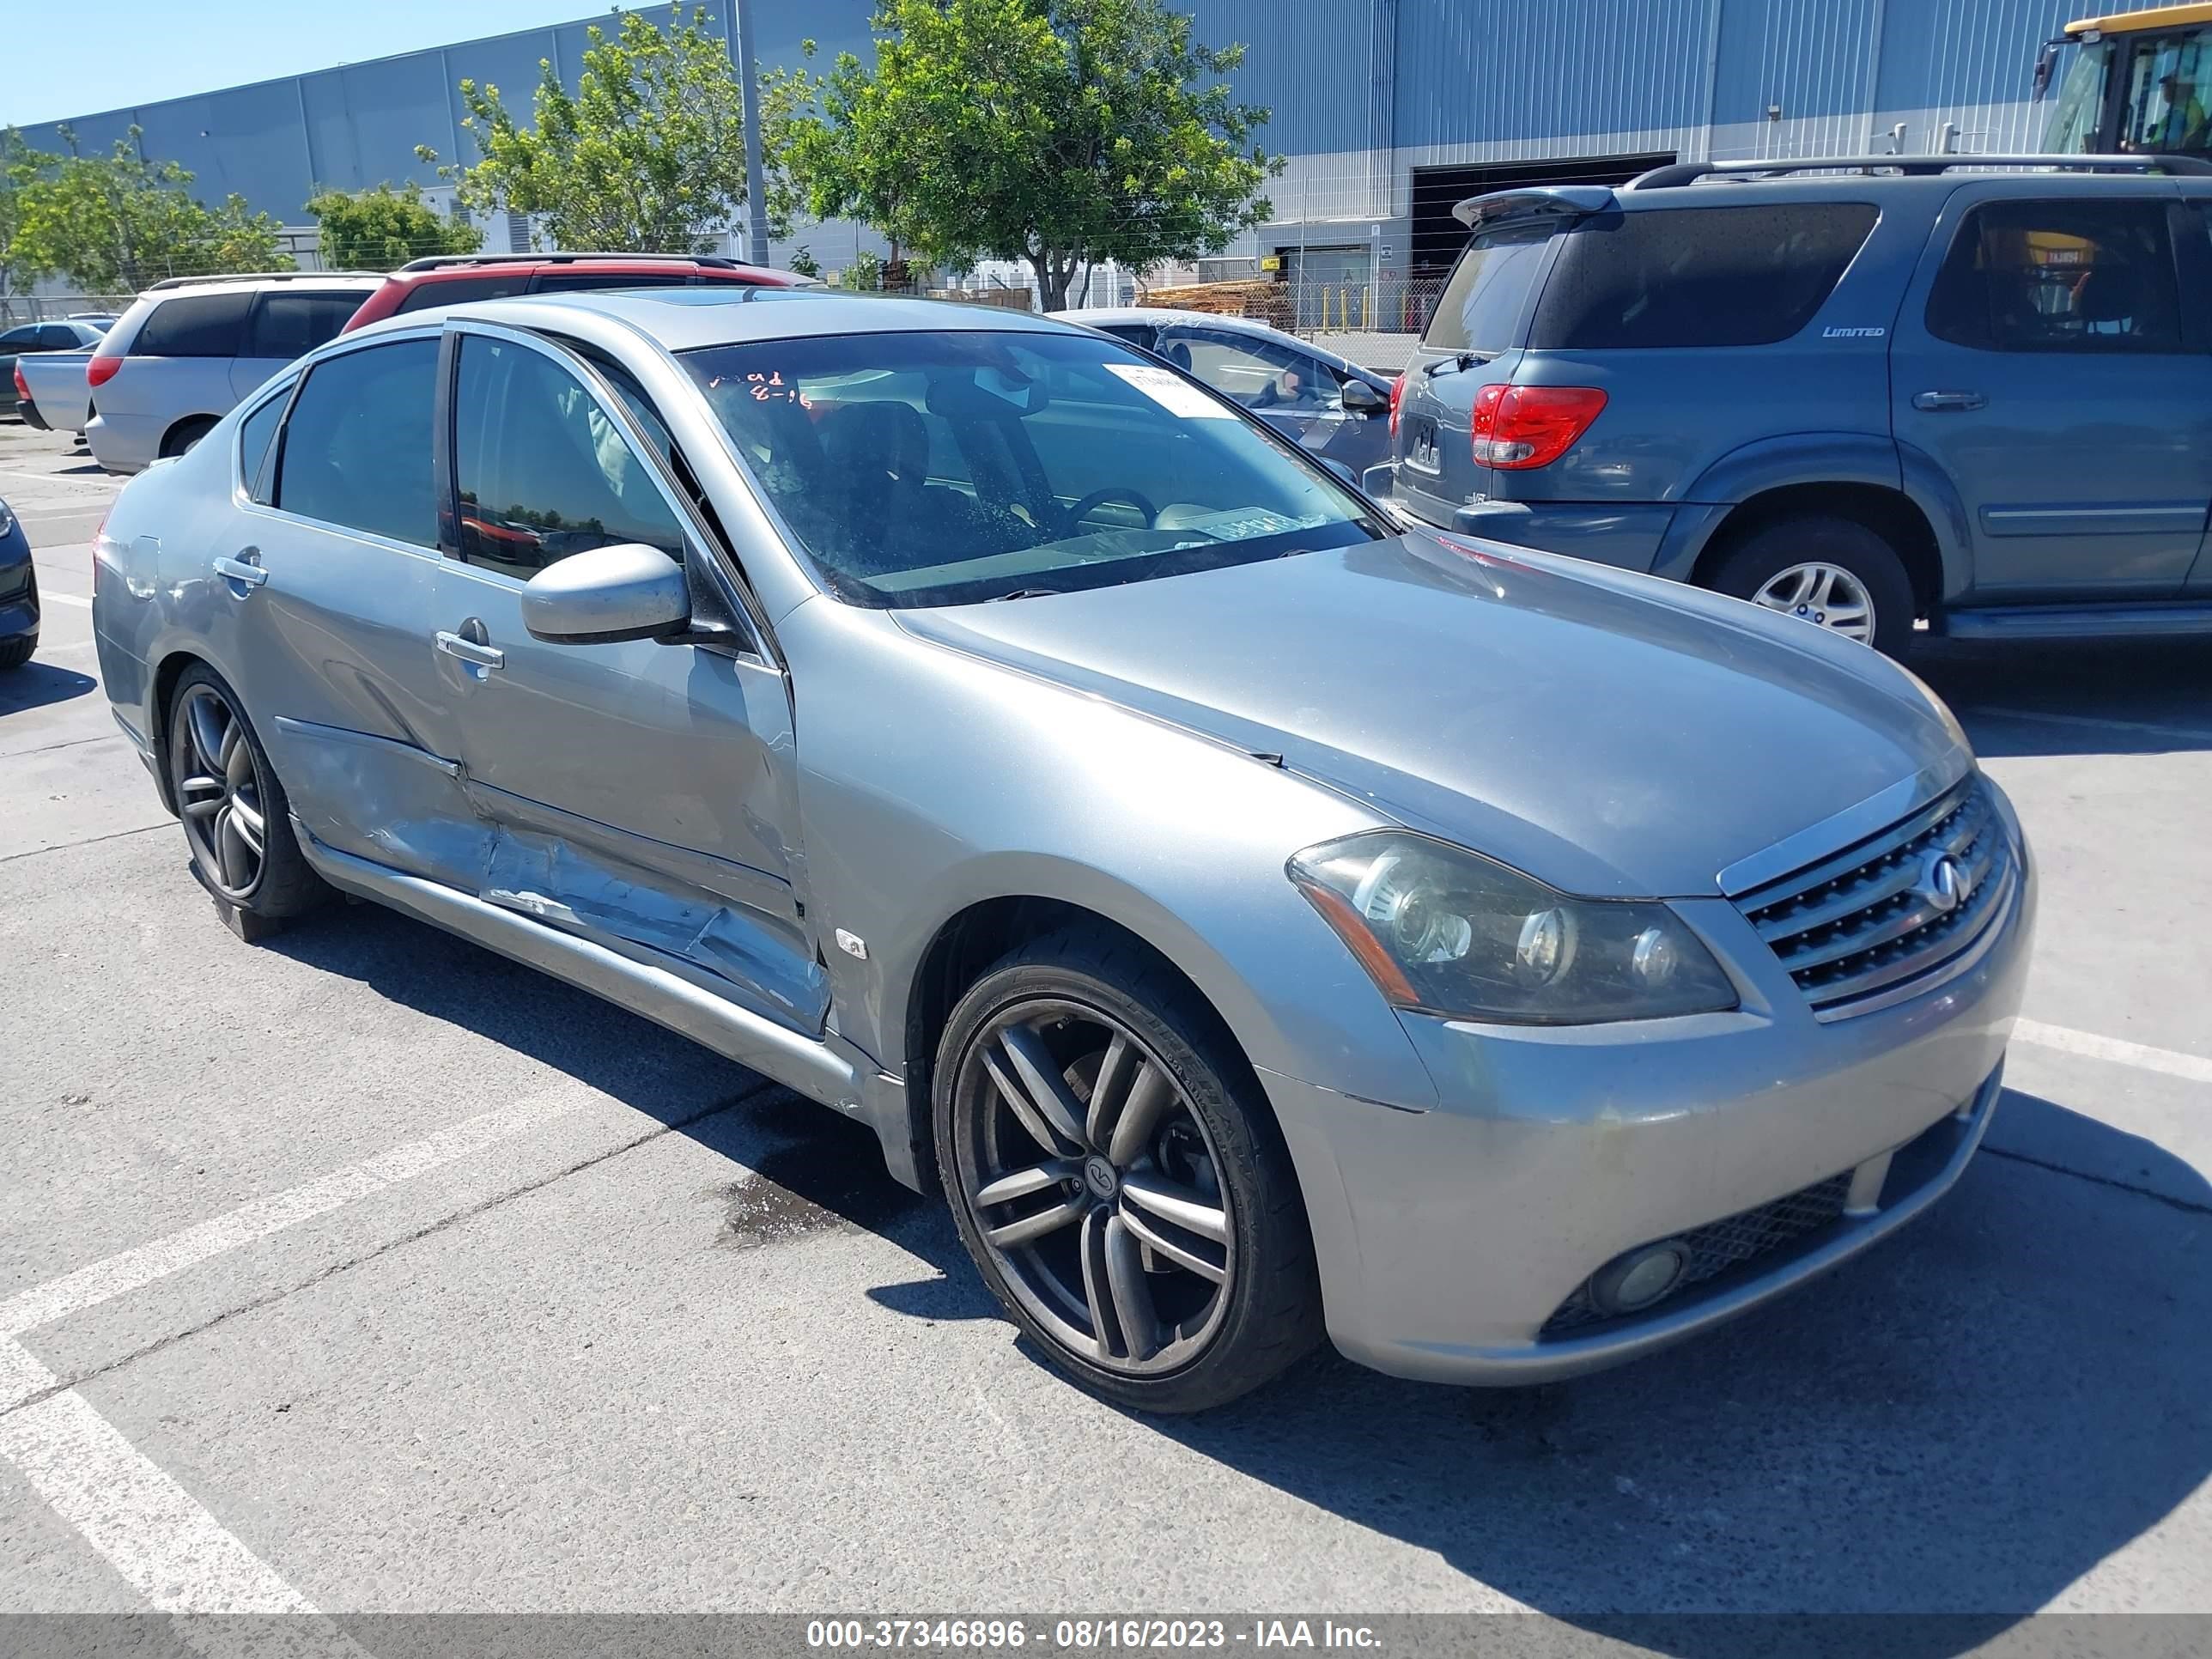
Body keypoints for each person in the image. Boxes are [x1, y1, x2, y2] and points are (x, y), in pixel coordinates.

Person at [2144, 70, 2209, 152]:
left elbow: (2167, 146)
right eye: (2165, 86)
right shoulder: (2192, 106)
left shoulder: (2179, 113)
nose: (2165, 89)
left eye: (2169, 86)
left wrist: (2133, 148)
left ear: (2183, 88)